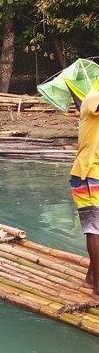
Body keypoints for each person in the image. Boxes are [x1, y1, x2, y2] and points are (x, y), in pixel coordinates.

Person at [70, 91, 99, 299]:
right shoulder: (93, 98)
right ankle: (98, 286)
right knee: (95, 228)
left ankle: (90, 278)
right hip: (88, 173)